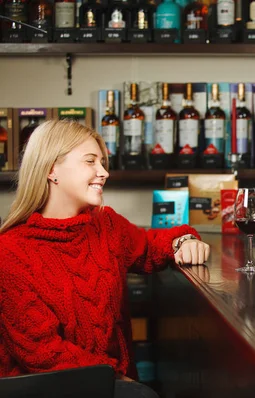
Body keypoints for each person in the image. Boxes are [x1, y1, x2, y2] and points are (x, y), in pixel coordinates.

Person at [0, 119, 210, 398]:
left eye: (102, 162)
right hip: (47, 388)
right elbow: (41, 352)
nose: (103, 173)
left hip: (113, 382)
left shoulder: (106, 225)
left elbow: (150, 247)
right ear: (52, 170)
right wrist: (119, 378)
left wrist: (184, 241)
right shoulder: (10, 251)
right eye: (90, 161)